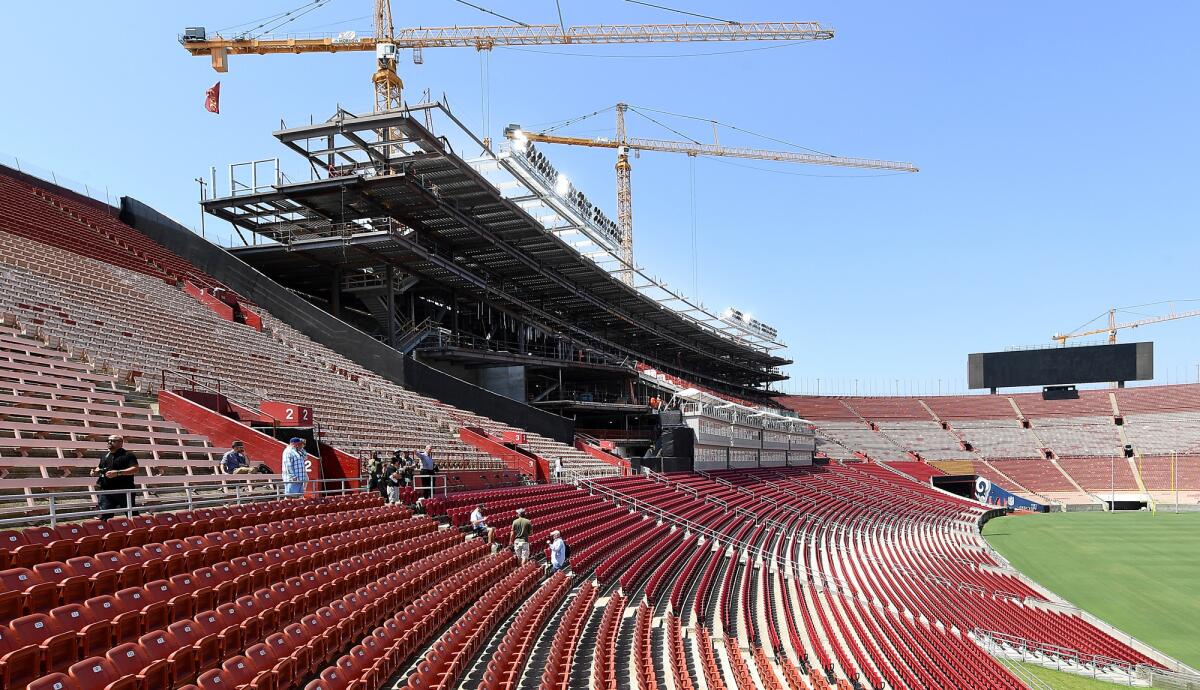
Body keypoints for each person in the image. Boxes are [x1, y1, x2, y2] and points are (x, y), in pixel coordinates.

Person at [92, 435, 139, 515]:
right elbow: (100, 467)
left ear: (121, 443)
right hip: (107, 491)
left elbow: (135, 469)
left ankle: (137, 527)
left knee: (132, 514)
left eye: (113, 441)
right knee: (104, 515)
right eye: (108, 440)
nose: (109, 442)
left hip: (124, 490)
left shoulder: (128, 455)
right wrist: (95, 472)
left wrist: (117, 473)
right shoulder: (105, 456)